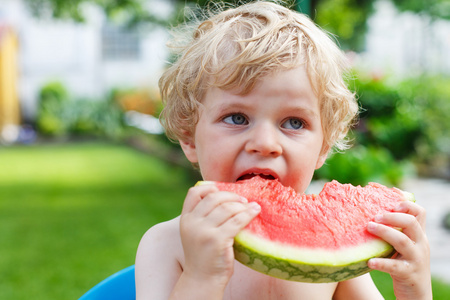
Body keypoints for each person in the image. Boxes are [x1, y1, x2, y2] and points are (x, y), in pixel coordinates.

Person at [135, 1, 432, 299]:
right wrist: (202, 278)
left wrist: (415, 290)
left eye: (293, 122)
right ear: (189, 137)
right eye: (237, 118)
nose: (265, 143)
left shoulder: (327, 248)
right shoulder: (166, 245)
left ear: (323, 147)